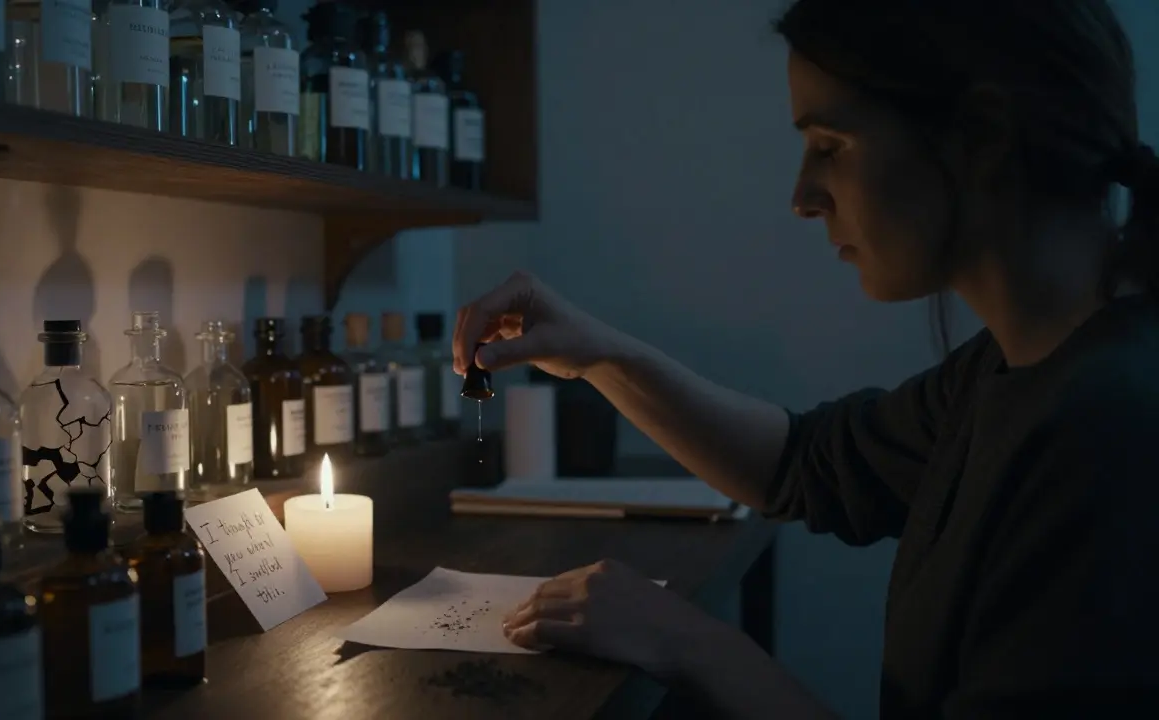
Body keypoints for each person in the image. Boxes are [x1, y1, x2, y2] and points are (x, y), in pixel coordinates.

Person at [451, 0, 1159, 717]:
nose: (801, 197)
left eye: (830, 145)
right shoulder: (1012, 367)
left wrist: (689, 640)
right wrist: (602, 354)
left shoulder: (1109, 431)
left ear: (983, 135)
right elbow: (803, 464)